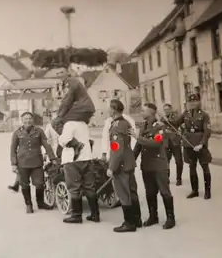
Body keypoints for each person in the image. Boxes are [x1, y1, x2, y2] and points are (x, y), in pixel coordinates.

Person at [132, 103, 176, 230]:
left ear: (151, 112)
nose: (141, 113)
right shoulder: (143, 126)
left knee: (164, 192)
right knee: (150, 193)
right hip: (147, 166)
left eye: (143, 111)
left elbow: (156, 143)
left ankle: (170, 218)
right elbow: (138, 147)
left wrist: (138, 138)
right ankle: (153, 216)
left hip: (159, 165)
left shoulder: (160, 127)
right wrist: (131, 159)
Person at [10, 112, 58, 213]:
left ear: (33, 120)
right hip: (22, 163)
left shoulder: (39, 131)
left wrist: (52, 158)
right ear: (22, 120)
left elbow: (46, 145)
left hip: (37, 162)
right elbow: (13, 149)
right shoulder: (17, 133)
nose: (28, 121)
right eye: (26, 119)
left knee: (40, 183)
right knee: (24, 184)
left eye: (30, 119)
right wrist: (14, 164)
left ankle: (40, 203)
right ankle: (29, 205)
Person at [105, 99, 142, 232]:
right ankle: (137, 219)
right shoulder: (125, 122)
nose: (108, 110)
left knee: (124, 193)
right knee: (132, 191)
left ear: (113, 110)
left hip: (120, 165)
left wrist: (111, 167)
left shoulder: (116, 126)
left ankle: (129, 223)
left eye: (109, 108)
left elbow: (116, 148)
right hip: (128, 162)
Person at [167, 93, 212, 200]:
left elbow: (207, 131)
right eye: (190, 102)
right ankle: (194, 190)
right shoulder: (186, 114)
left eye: (195, 101)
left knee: (205, 167)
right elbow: (175, 124)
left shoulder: (204, 115)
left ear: (199, 102)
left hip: (200, 143)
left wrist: (202, 144)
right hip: (188, 143)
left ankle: (207, 191)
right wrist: (167, 120)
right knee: (192, 167)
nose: (192, 103)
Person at [58, 117, 99, 224]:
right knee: (90, 187)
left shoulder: (69, 124)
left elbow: (65, 140)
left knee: (74, 188)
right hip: (87, 158)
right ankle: (95, 214)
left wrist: (60, 139)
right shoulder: (83, 124)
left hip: (72, 160)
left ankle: (76, 215)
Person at [51, 75, 96, 162]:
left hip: (82, 108)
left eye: (60, 73)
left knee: (56, 123)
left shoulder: (71, 82)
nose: (58, 75)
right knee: (73, 126)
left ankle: (76, 145)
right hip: (85, 109)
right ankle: (87, 142)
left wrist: (59, 115)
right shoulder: (72, 82)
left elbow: (67, 101)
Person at [162, 104, 183, 186]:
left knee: (178, 161)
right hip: (166, 142)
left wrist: (166, 121)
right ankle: (167, 178)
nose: (166, 111)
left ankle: (179, 178)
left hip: (175, 142)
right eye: (165, 109)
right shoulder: (163, 118)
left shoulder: (175, 116)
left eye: (167, 109)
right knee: (166, 161)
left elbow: (175, 124)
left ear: (171, 109)